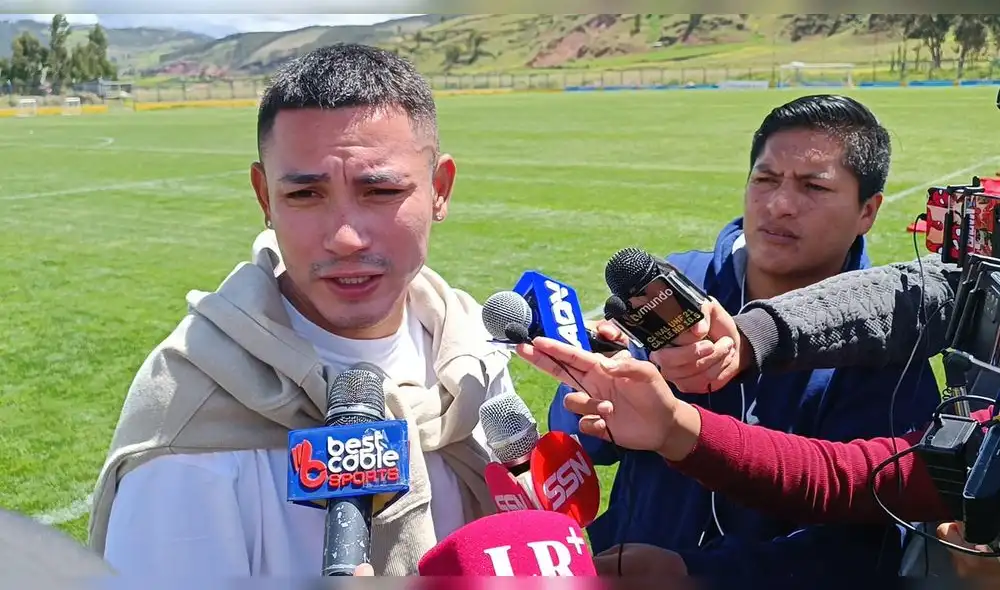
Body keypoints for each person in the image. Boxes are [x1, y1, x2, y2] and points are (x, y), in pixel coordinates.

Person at [87, 43, 517, 577]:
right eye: (306, 196)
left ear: (440, 189)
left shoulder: (473, 353)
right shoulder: (189, 414)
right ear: (265, 198)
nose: (345, 238)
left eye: (380, 190)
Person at [547, 94, 942, 578]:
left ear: (868, 211)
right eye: (765, 179)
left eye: (813, 187)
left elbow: (871, 543)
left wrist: (698, 577)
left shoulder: (886, 351)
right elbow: (583, 443)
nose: (779, 205)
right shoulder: (676, 286)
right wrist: (590, 385)